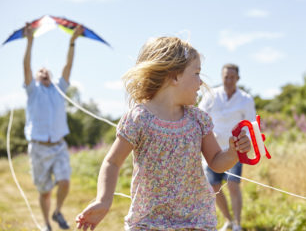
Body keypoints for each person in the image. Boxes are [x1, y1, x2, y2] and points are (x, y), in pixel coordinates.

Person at [75, 37, 251, 231]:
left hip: (195, 220)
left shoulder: (198, 120)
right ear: (174, 76)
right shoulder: (139, 119)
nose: (201, 82)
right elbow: (112, 162)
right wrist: (103, 200)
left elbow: (217, 162)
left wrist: (233, 152)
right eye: (196, 73)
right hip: (149, 221)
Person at [23, 23, 83, 231]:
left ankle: (57, 212)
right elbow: (27, 67)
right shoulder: (33, 90)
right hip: (38, 147)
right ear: (37, 77)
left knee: (65, 181)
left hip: (58, 146)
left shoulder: (59, 89)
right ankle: (47, 223)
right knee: (45, 191)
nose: (43, 71)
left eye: (46, 70)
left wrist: (72, 41)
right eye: (40, 71)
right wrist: (30, 42)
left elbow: (68, 66)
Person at [198, 63, 256, 231]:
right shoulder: (211, 95)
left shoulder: (246, 99)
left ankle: (237, 224)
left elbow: (251, 125)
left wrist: (248, 144)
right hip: (212, 149)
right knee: (214, 187)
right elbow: (201, 116)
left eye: (232, 77)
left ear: (237, 78)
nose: (229, 80)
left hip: (235, 149)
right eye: (226, 77)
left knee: (232, 184)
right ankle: (228, 220)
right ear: (222, 77)